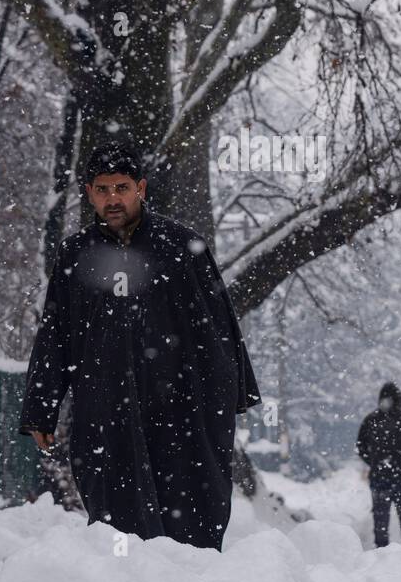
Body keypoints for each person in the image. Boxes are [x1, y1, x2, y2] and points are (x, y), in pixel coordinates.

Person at [19, 139, 261, 550]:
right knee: (118, 527)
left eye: (122, 188)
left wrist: (227, 395)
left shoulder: (182, 249)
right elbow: (55, 335)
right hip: (105, 411)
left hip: (178, 410)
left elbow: (217, 328)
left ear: (141, 189)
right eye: (103, 189)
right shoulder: (76, 256)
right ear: (90, 193)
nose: (113, 199)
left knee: (188, 522)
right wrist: (41, 408)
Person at [356, 382, 401, 547]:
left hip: (384, 477)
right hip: (397, 477)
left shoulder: (373, 420)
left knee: (383, 519)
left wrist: (375, 461)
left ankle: (385, 551)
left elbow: (361, 446)